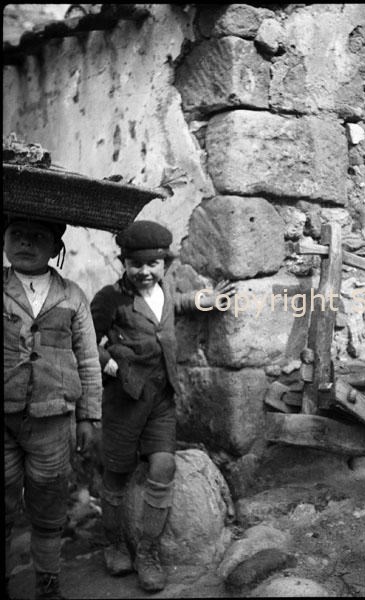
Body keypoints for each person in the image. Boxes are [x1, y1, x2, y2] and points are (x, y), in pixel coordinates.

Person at [90, 220, 234, 593]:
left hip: (160, 397)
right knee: (117, 474)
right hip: (124, 399)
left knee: (163, 465)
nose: (144, 272)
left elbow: (177, 305)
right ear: (124, 263)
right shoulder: (110, 298)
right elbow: (86, 339)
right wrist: (109, 363)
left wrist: (204, 300)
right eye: (135, 264)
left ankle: (148, 552)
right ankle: (114, 544)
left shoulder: (165, 290)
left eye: (152, 264)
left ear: (164, 264)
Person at [4, 216, 102, 600]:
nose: (25, 243)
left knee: (48, 502)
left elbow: (88, 358)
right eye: (16, 235)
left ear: (56, 248)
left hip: (53, 419)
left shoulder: (71, 296)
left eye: (37, 237)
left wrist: (89, 416)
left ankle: (48, 584)